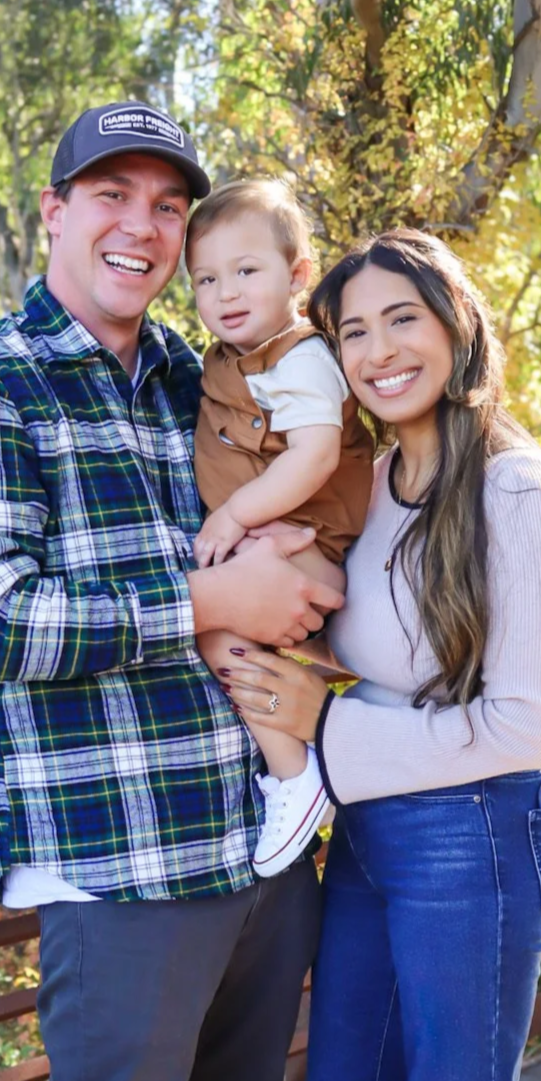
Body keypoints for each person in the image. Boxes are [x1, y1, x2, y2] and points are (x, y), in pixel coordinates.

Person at [0, 102, 339, 1081]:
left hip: (259, 844)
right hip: (121, 867)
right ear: (54, 212)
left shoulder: (200, 375)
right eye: (111, 195)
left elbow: (324, 477)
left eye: (166, 205)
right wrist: (211, 601)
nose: (141, 226)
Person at [218, 229, 541, 1081]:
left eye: (404, 318)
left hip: (474, 835)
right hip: (370, 834)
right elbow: (360, 636)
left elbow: (524, 729)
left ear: (456, 326)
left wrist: (323, 723)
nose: (379, 350)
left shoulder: (514, 489)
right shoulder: (372, 482)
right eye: (353, 331)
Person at [185, 179, 374, 876]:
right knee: (216, 627)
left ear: (297, 275)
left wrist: (235, 514)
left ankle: (295, 772)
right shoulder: (227, 360)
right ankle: (301, 754)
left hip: (306, 541)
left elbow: (316, 454)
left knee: (212, 627)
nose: (225, 293)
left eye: (246, 271)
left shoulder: (298, 357)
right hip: (277, 543)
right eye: (206, 279)